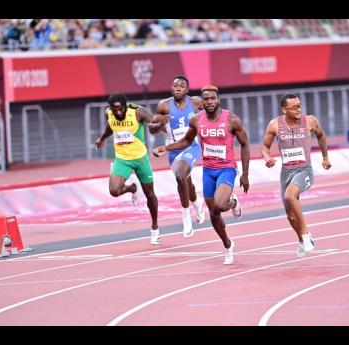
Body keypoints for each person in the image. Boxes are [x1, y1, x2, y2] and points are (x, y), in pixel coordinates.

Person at [153, 85, 250, 265]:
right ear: (202, 101)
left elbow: (245, 145)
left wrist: (245, 174)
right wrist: (165, 148)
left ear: (218, 99)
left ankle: (233, 202)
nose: (209, 102)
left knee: (220, 205)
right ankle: (228, 246)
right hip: (208, 171)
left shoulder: (232, 120)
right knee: (213, 214)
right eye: (206, 99)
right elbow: (186, 141)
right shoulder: (197, 120)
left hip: (227, 168)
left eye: (212, 98)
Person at [261, 93, 331, 258]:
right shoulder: (274, 125)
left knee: (290, 196)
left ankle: (306, 235)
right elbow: (265, 147)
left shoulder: (310, 121)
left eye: (300, 105)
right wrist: (267, 157)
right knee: (290, 216)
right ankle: (301, 240)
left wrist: (325, 157)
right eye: (294, 107)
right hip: (286, 173)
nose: (299, 109)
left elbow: (321, 136)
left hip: (304, 170)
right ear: (284, 109)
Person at [95, 93, 161, 245]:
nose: (117, 112)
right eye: (114, 109)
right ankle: (132, 188)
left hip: (140, 159)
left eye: (120, 109)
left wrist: (162, 127)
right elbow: (111, 127)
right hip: (122, 159)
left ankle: (155, 227)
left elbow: (154, 122)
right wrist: (102, 138)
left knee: (150, 194)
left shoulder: (138, 112)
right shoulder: (109, 113)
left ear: (125, 106)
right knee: (114, 191)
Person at [150, 76, 205, 238]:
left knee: (181, 176)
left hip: (191, 146)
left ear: (187, 90)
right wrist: (159, 123)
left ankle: (185, 215)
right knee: (186, 182)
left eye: (181, 86)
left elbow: (211, 113)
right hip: (173, 150)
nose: (177, 88)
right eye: (175, 86)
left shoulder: (195, 102)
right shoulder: (163, 105)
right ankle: (196, 202)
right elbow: (152, 129)